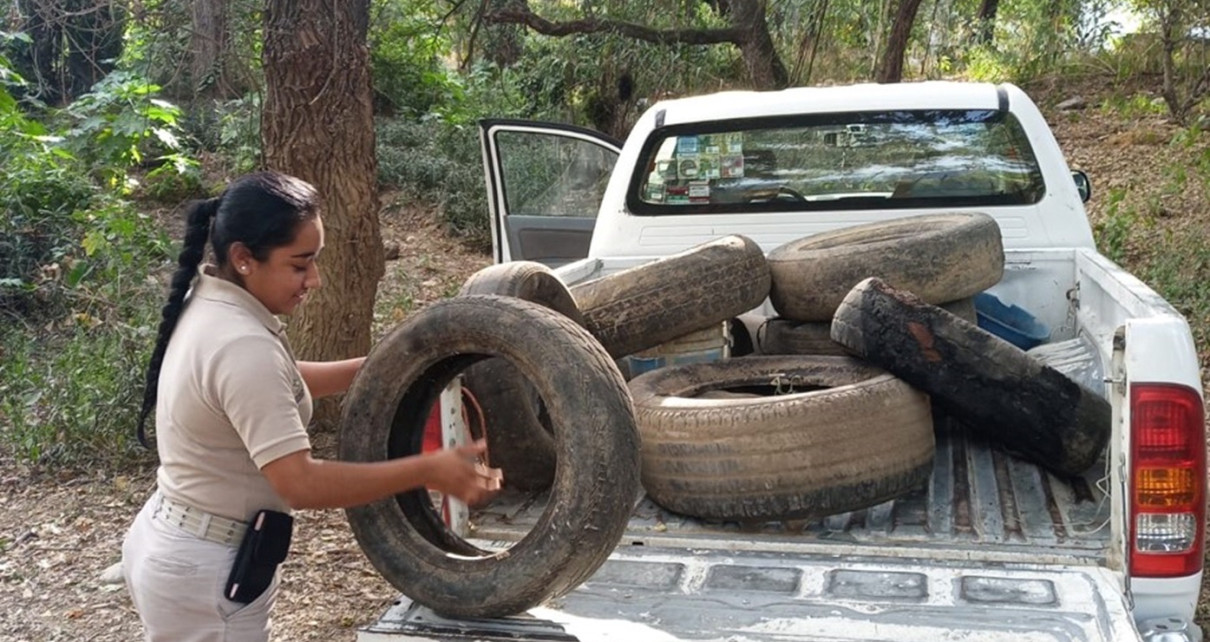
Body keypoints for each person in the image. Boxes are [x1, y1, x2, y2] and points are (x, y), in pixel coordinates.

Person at [121, 171, 499, 641]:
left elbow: (278, 382)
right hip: (205, 576)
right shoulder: (240, 343)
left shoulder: (214, 302)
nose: (314, 280)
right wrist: (427, 470)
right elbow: (299, 483)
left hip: (179, 544)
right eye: (300, 265)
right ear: (243, 258)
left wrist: (392, 364)